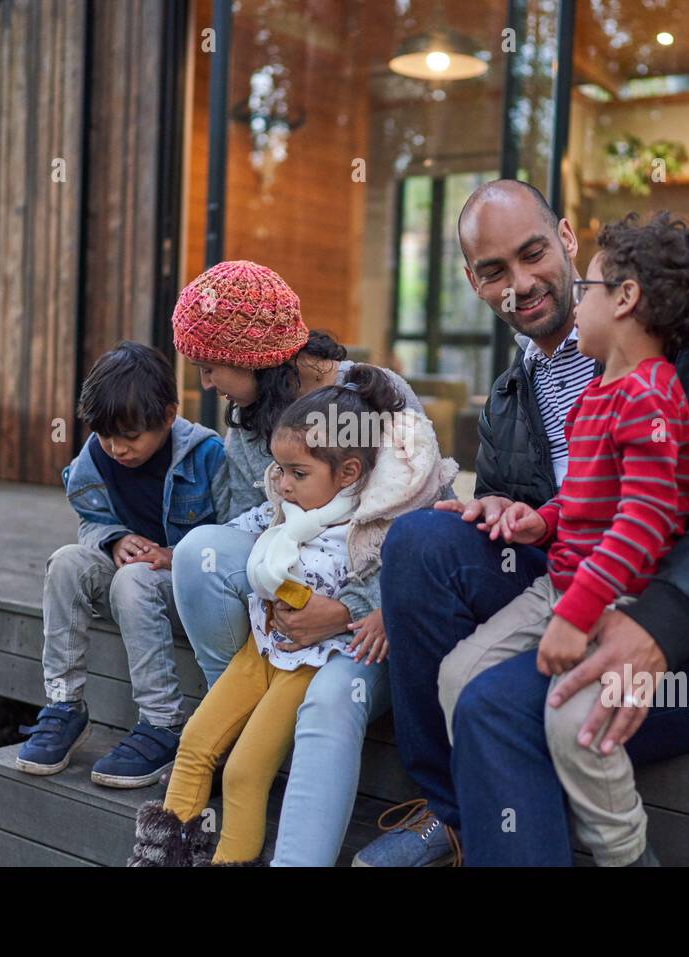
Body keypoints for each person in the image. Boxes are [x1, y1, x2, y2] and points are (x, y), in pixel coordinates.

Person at [356, 179, 689, 867]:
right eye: (495, 271)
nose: (522, 283)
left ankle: (521, 810)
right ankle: (459, 814)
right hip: (569, 589)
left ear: (566, 238)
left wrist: (660, 625)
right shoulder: (508, 395)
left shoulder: (687, 337)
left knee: (496, 705)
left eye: (533, 253)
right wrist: (505, 512)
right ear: (474, 282)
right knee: (419, 542)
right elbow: (552, 514)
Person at [437, 212, 689, 867]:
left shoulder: (652, 397)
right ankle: (505, 817)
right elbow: (590, 493)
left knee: (574, 725)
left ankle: (625, 853)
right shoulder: (598, 391)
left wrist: (574, 615)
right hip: (564, 584)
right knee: (459, 675)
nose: (578, 299)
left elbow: (643, 521)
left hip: (623, 598)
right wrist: (544, 519)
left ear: (625, 299)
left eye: (591, 287)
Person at [166, 260, 444, 866]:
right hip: (292, 607)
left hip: (371, 616)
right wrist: (279, 595)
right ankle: (242, 717)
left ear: (256, 359)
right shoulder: (246, 424)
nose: (207, 382)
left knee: (330, 700)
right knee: (200, 554)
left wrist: (346, 610)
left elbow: (422, 527)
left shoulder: (377, 399)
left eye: (211, 366)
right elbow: (258, 526)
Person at [15, 342, 225, 788]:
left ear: (168, 416)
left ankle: (163, 721)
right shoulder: (94, 457)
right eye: (107, 435)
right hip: (131, 585)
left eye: (131, 437)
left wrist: (174, 556)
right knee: (66, 562)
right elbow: (90, 520)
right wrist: (113, 539)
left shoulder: (207, 456)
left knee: (134, 580)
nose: (117, 449)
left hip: (189, 595)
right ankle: (65, 704)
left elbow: (236, 535)